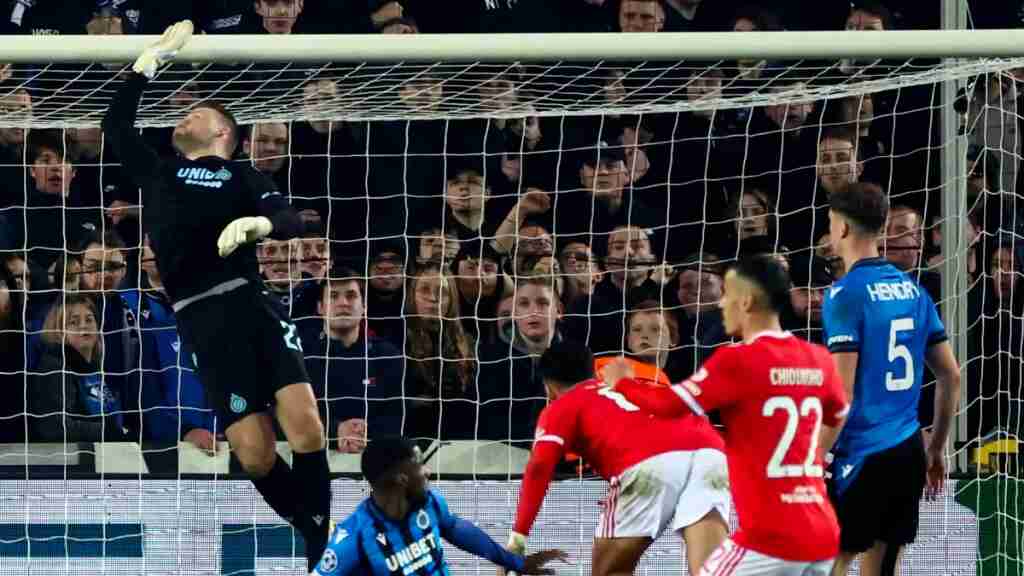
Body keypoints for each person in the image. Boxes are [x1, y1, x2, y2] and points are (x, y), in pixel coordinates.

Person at [101, 22, 330, 570]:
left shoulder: (242, 176)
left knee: (305, 426)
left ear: (224, 133)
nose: (184, 116)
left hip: (250, 302)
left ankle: (320, 544)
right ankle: (315, 523)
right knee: (252, 453)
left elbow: (291, 217)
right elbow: (114, 127)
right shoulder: (159, 170)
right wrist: (147, 62)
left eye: (197, 113)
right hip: (200, 320)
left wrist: (259, 227)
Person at [610, 255, 849, 575]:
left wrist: (623, 383)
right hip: (822, 532)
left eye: (728, 294)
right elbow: (839, 413)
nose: (722, 303)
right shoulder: (818, 358)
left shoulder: (737, 361)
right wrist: (814, 456)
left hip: (771, 538)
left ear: (746, 301)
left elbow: (668, 406)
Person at [823, 182, 962, 576]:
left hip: (861, 453)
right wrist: (935, 448)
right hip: (907, 450)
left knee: (830, 560)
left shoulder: (844, 294)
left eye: (832, 224)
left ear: (844, 230)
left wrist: (813, 455)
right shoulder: (913, 291)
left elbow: (842, 391)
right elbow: (951, 375)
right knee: (884, 566)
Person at [506, 340, 729, 576]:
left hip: (648, 462)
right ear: (593, 371)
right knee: (710, 570)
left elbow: (539, 467)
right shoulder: (640, 385)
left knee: (610, 572)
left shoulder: (561, 406)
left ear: (548, 387)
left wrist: (517, 541)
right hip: (711, 452)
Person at [312, 437, 567, 575]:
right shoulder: (353, 538)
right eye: (420, 464)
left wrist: (516, 562)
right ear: (401, 480)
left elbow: (456, 528)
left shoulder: (429, 503)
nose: (428, 472)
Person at [304, 269, 405, 453]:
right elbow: (293, 414)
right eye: (333, 296)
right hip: (315, 454)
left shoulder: (388, 356)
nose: (343, 303)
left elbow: (397, 416)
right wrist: (336, 431)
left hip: (378, 455)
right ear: (320, 307)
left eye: (351, 296)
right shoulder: (302, 356)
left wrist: (365, 433)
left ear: (364, 305)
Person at [29, 294, 132, 443]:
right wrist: (107, 431)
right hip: (74, 463)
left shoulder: (95, 367)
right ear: (59, 330)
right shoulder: (54, 367)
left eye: (89, 319)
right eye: (74, 322)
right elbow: (54, 427)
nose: (84, 326)